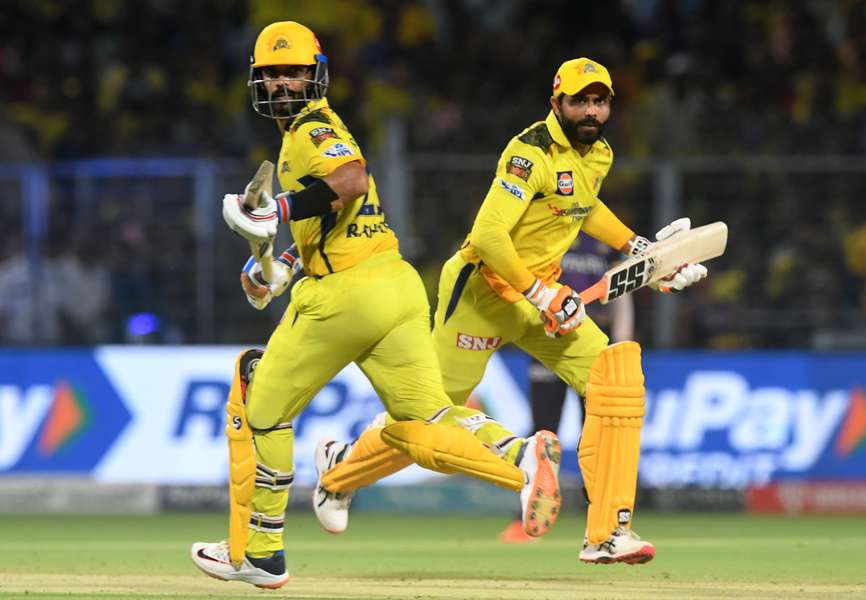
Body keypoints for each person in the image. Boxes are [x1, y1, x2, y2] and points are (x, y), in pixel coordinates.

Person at [189, 22, 562, 590]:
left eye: (293, 72)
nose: (284, 83)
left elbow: (352, 182)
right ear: (258, 80)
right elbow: (340, 217)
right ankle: (519, 455)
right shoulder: (312, 133)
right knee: (427, 415)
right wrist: (280, 265)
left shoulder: (312, 130)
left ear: (315, 76)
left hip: (345, 297)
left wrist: (277, 212)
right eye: (273, 73)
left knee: (261, 407)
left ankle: (261, 552)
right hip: (395, 286)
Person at [315, 57, 709, 565]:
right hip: (481, 294)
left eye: (600, 101)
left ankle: (607, 532)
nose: (591, 111)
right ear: (556, 103)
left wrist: (638, 249)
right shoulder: (529, 153)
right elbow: (488, 236)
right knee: (427, 416)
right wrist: (542, 296)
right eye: (580, 101)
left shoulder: (600, 154)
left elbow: (584, 206)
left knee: (617, 381)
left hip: (540, 296)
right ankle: (337, 473)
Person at [498, 238, 634, 544]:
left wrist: (621, 341)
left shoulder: (601, 242)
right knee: (543, 433)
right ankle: (525, 519)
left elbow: (620, 289)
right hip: (548, 342)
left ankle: (604, 522)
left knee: (599, 436)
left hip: (592, 343)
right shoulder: (548, 232)